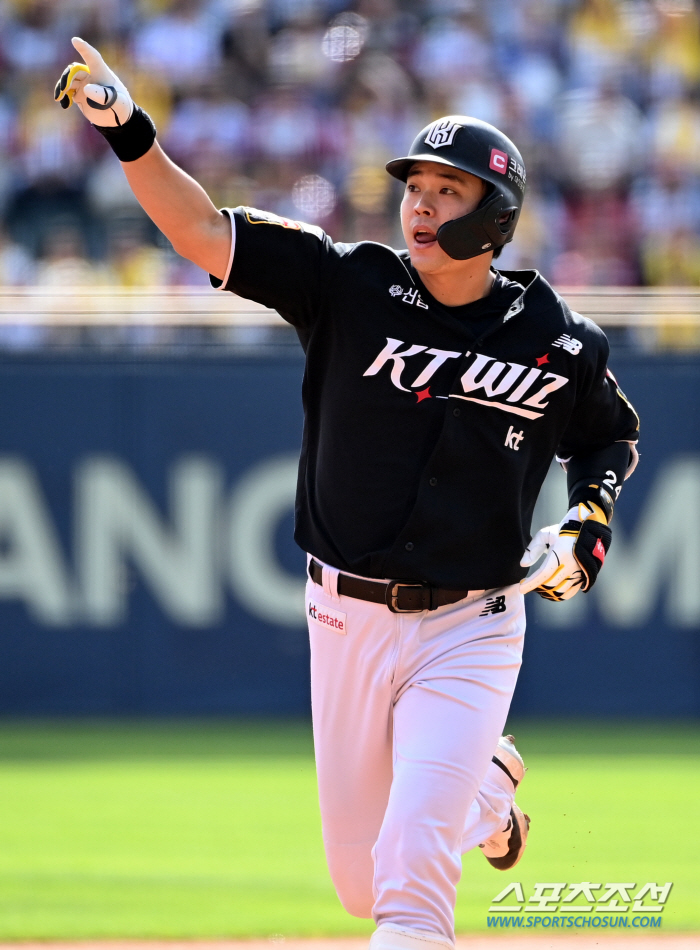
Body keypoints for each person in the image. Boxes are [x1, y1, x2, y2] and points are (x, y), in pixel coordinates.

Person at [55, 39, 640, 950]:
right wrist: (130, 133)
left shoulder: (555, 337)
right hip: (345, 616)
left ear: (497, 214)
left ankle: (457, 792)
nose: (422, 201)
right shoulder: (349, 282)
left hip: (473, 621)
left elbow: (609, 436)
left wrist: (587, 522)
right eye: (417, 184)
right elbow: (203, 232)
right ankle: (488, 791)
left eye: (450, 190)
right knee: (361, 886)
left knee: (409, 893)